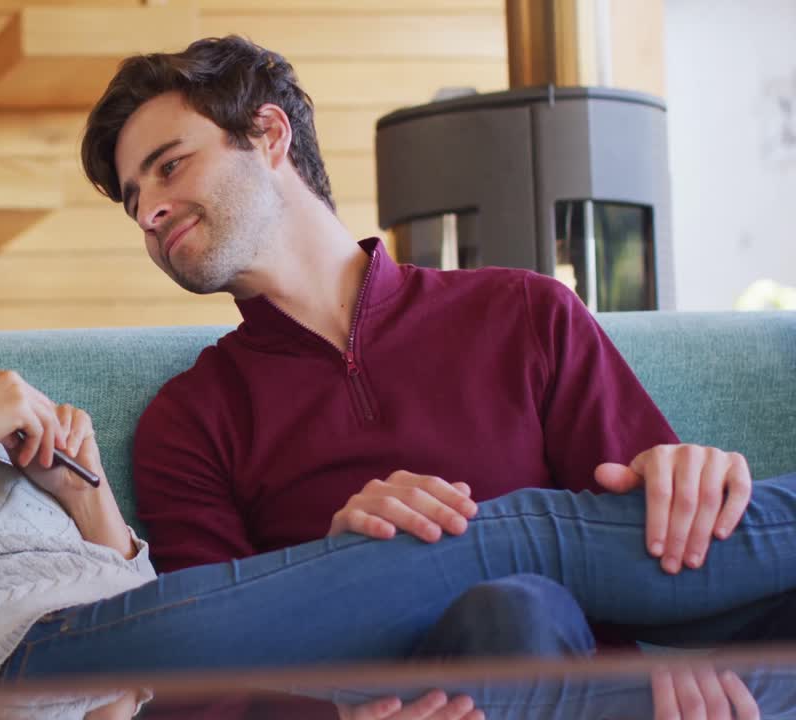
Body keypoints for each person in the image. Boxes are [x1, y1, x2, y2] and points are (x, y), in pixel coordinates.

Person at [0, 146, 796, 720]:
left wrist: (83, 503)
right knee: (502, 539)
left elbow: (144, 596)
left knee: (516, 599)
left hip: (127, 659)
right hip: (41, 676)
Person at [78, 35, 783, 664]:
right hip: (395, 693)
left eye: (169, 167)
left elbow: (674, 562)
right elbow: (211, 680)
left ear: (268, 135)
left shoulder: (526, 313)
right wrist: (344, 575)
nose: (148, 212)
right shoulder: (188, 422)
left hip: (597, 690)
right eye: (134, 199)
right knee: (508, 612)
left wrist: (691, 477)